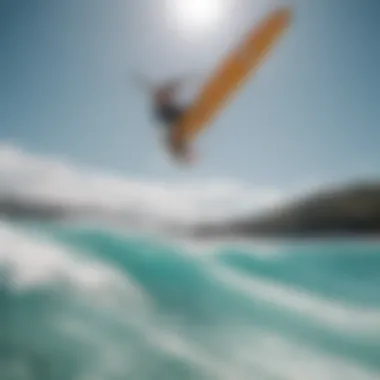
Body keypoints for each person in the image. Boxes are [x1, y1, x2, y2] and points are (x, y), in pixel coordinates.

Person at [134, 74, 195, 163]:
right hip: (170, 122)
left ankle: (181, 151)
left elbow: (176, 110)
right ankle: (181, 152)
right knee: (171, 134)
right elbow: (165, 118)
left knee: (173, 129)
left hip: (174, 120)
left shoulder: (168, 107)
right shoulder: (163, 111)